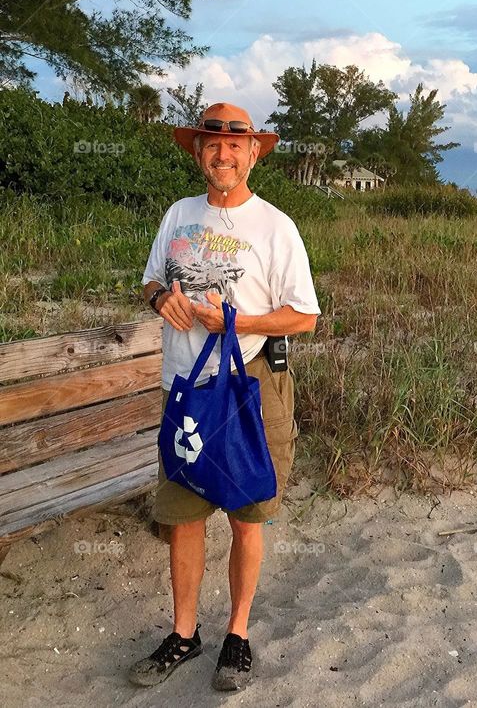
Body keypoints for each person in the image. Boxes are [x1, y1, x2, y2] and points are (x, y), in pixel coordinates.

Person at [128, 102, 321, 692]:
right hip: (183, 391)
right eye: (212, 142)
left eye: (236, 144)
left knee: (245, 517)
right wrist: (160, 297)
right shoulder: (178, 215)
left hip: (248, 388)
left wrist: (239, 324)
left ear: (254, 153)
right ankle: (184, 635)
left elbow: (305, 316)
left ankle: (236, 634)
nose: (223, 152)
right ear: (197, 152)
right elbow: (150, 280)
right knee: (184, 520)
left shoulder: (275, 226)